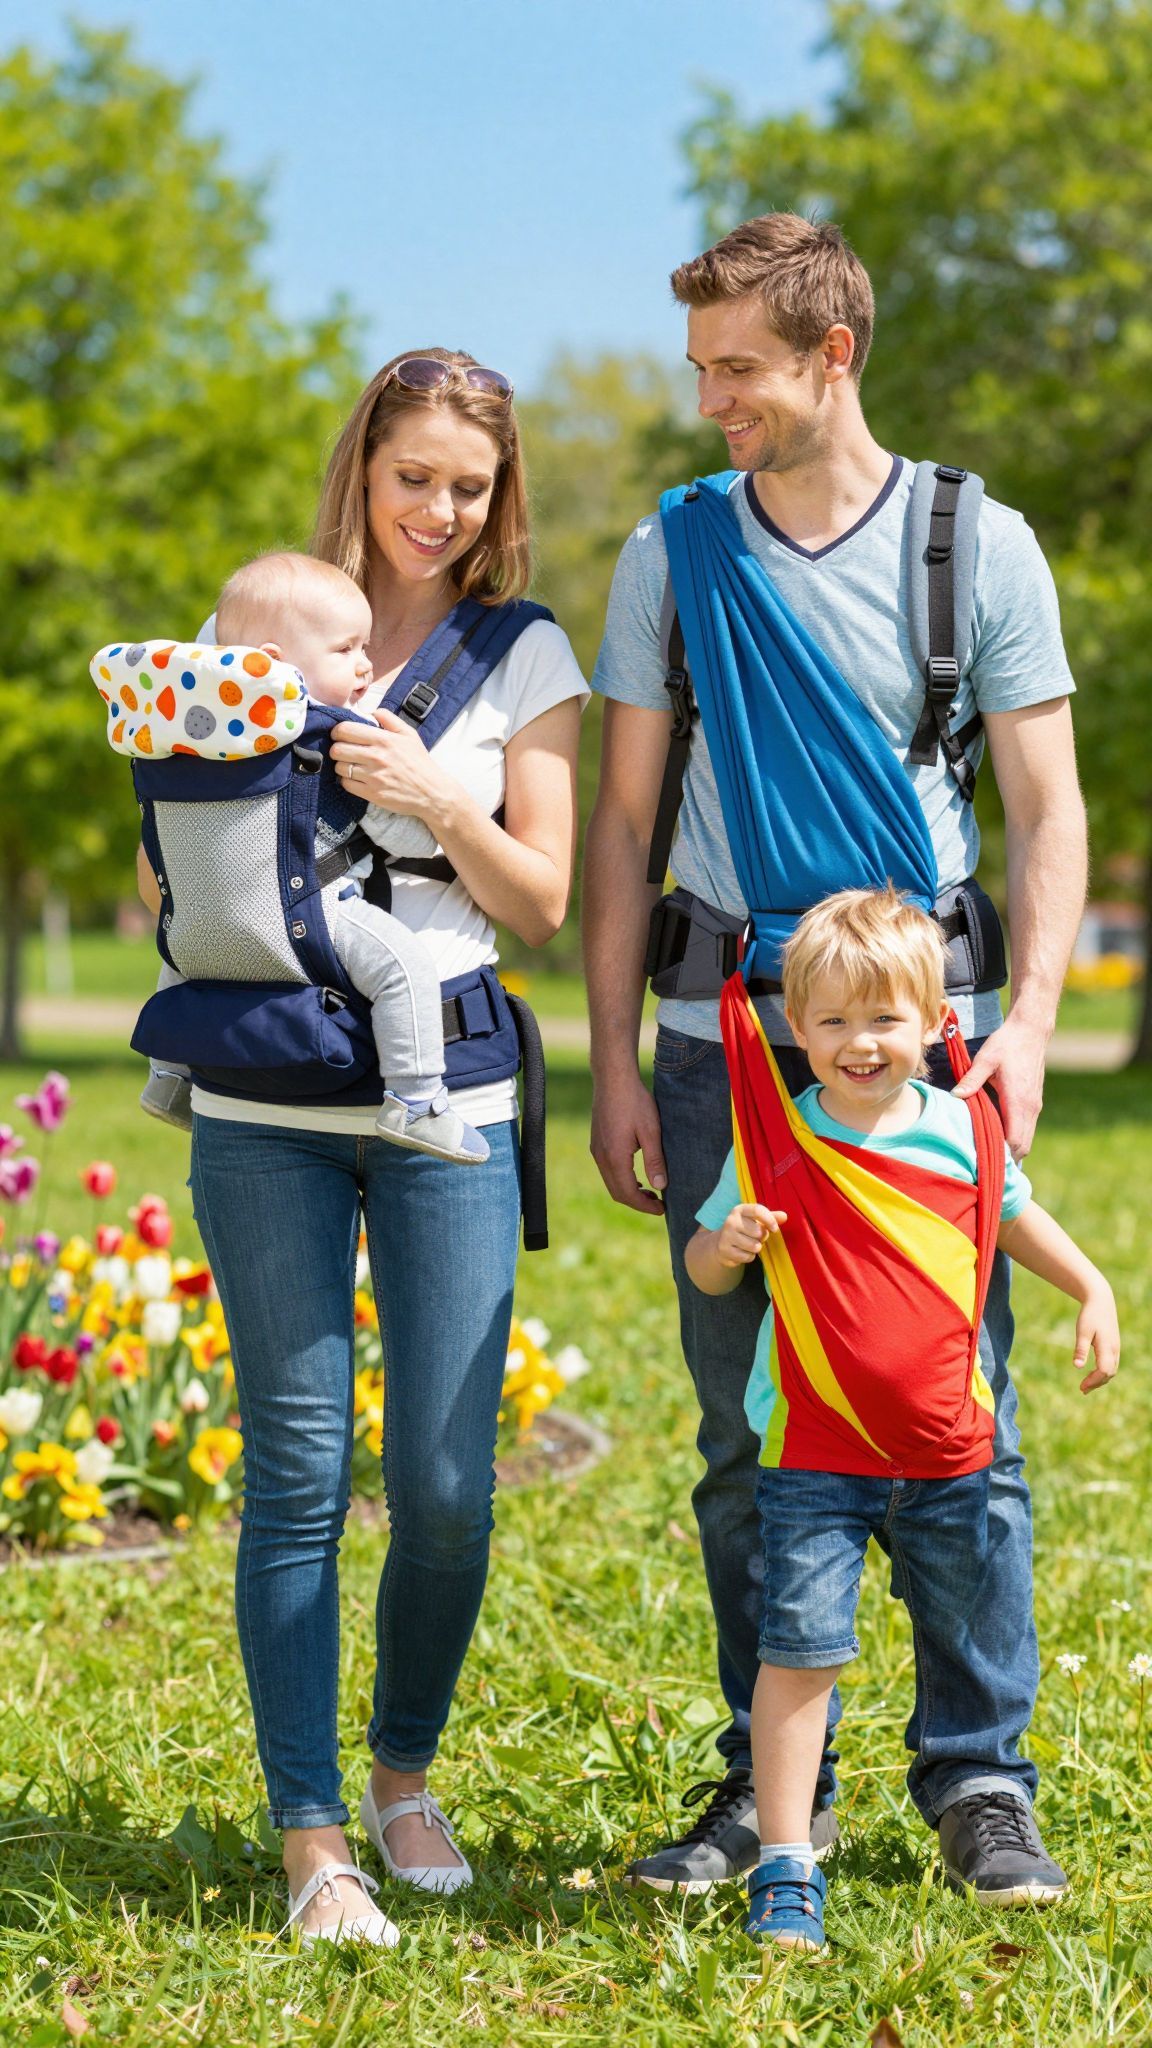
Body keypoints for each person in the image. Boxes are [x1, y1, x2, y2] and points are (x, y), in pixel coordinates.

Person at [584, 212, 1088, 1898]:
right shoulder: (672, 555)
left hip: (922, 1050)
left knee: (962, 1420)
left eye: (738, 368)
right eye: (699, 369)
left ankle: (978, 1774)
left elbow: (1046, 805)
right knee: (749, 1434)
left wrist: (1026, 1022)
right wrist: (609, 1056)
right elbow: (623, 824)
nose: (709, 401)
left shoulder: (972, 546)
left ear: (833, 354)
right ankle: (766, 1782)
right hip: (721, 1039)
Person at [138, 349, 587, 1945]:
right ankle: (311, 1833)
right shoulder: (254, 631)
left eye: (469, 486)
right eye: (413, 477)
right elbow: (167, 874)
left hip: (444, 1098)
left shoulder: (526, 655)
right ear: (364, 468)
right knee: (298, 1471)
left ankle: (404, 1771)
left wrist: (432, 800)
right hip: (264, 1110)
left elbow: (543, 903)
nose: (438, 510)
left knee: (449, 1486)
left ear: (498, 495)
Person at [685, 888, 1118, 1947]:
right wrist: (724, 1247)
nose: (860, 1042)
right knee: (799, 1651)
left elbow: (1015, 1217)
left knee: (968, 1627)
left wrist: (1092, 1284)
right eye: (832, 1020)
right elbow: (703, 1266)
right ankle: (787, 1861)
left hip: (949, 1451)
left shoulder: (964, 1129)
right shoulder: (777, 1135)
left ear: (934, 1019)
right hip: (813, 1458)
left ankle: (981, 1791)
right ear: (796, 1027)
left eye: (885, 1018)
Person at [118, 551, 489, 1166]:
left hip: (199, 925)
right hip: (306, 918)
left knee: (187, 958)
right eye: (346, 650)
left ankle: (167, 1078)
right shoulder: (331, 737)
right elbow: (405, 838)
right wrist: (423, 807)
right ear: (273, 663)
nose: (366, 664)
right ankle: (417, 1101)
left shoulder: (183, 740)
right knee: (405, 968)